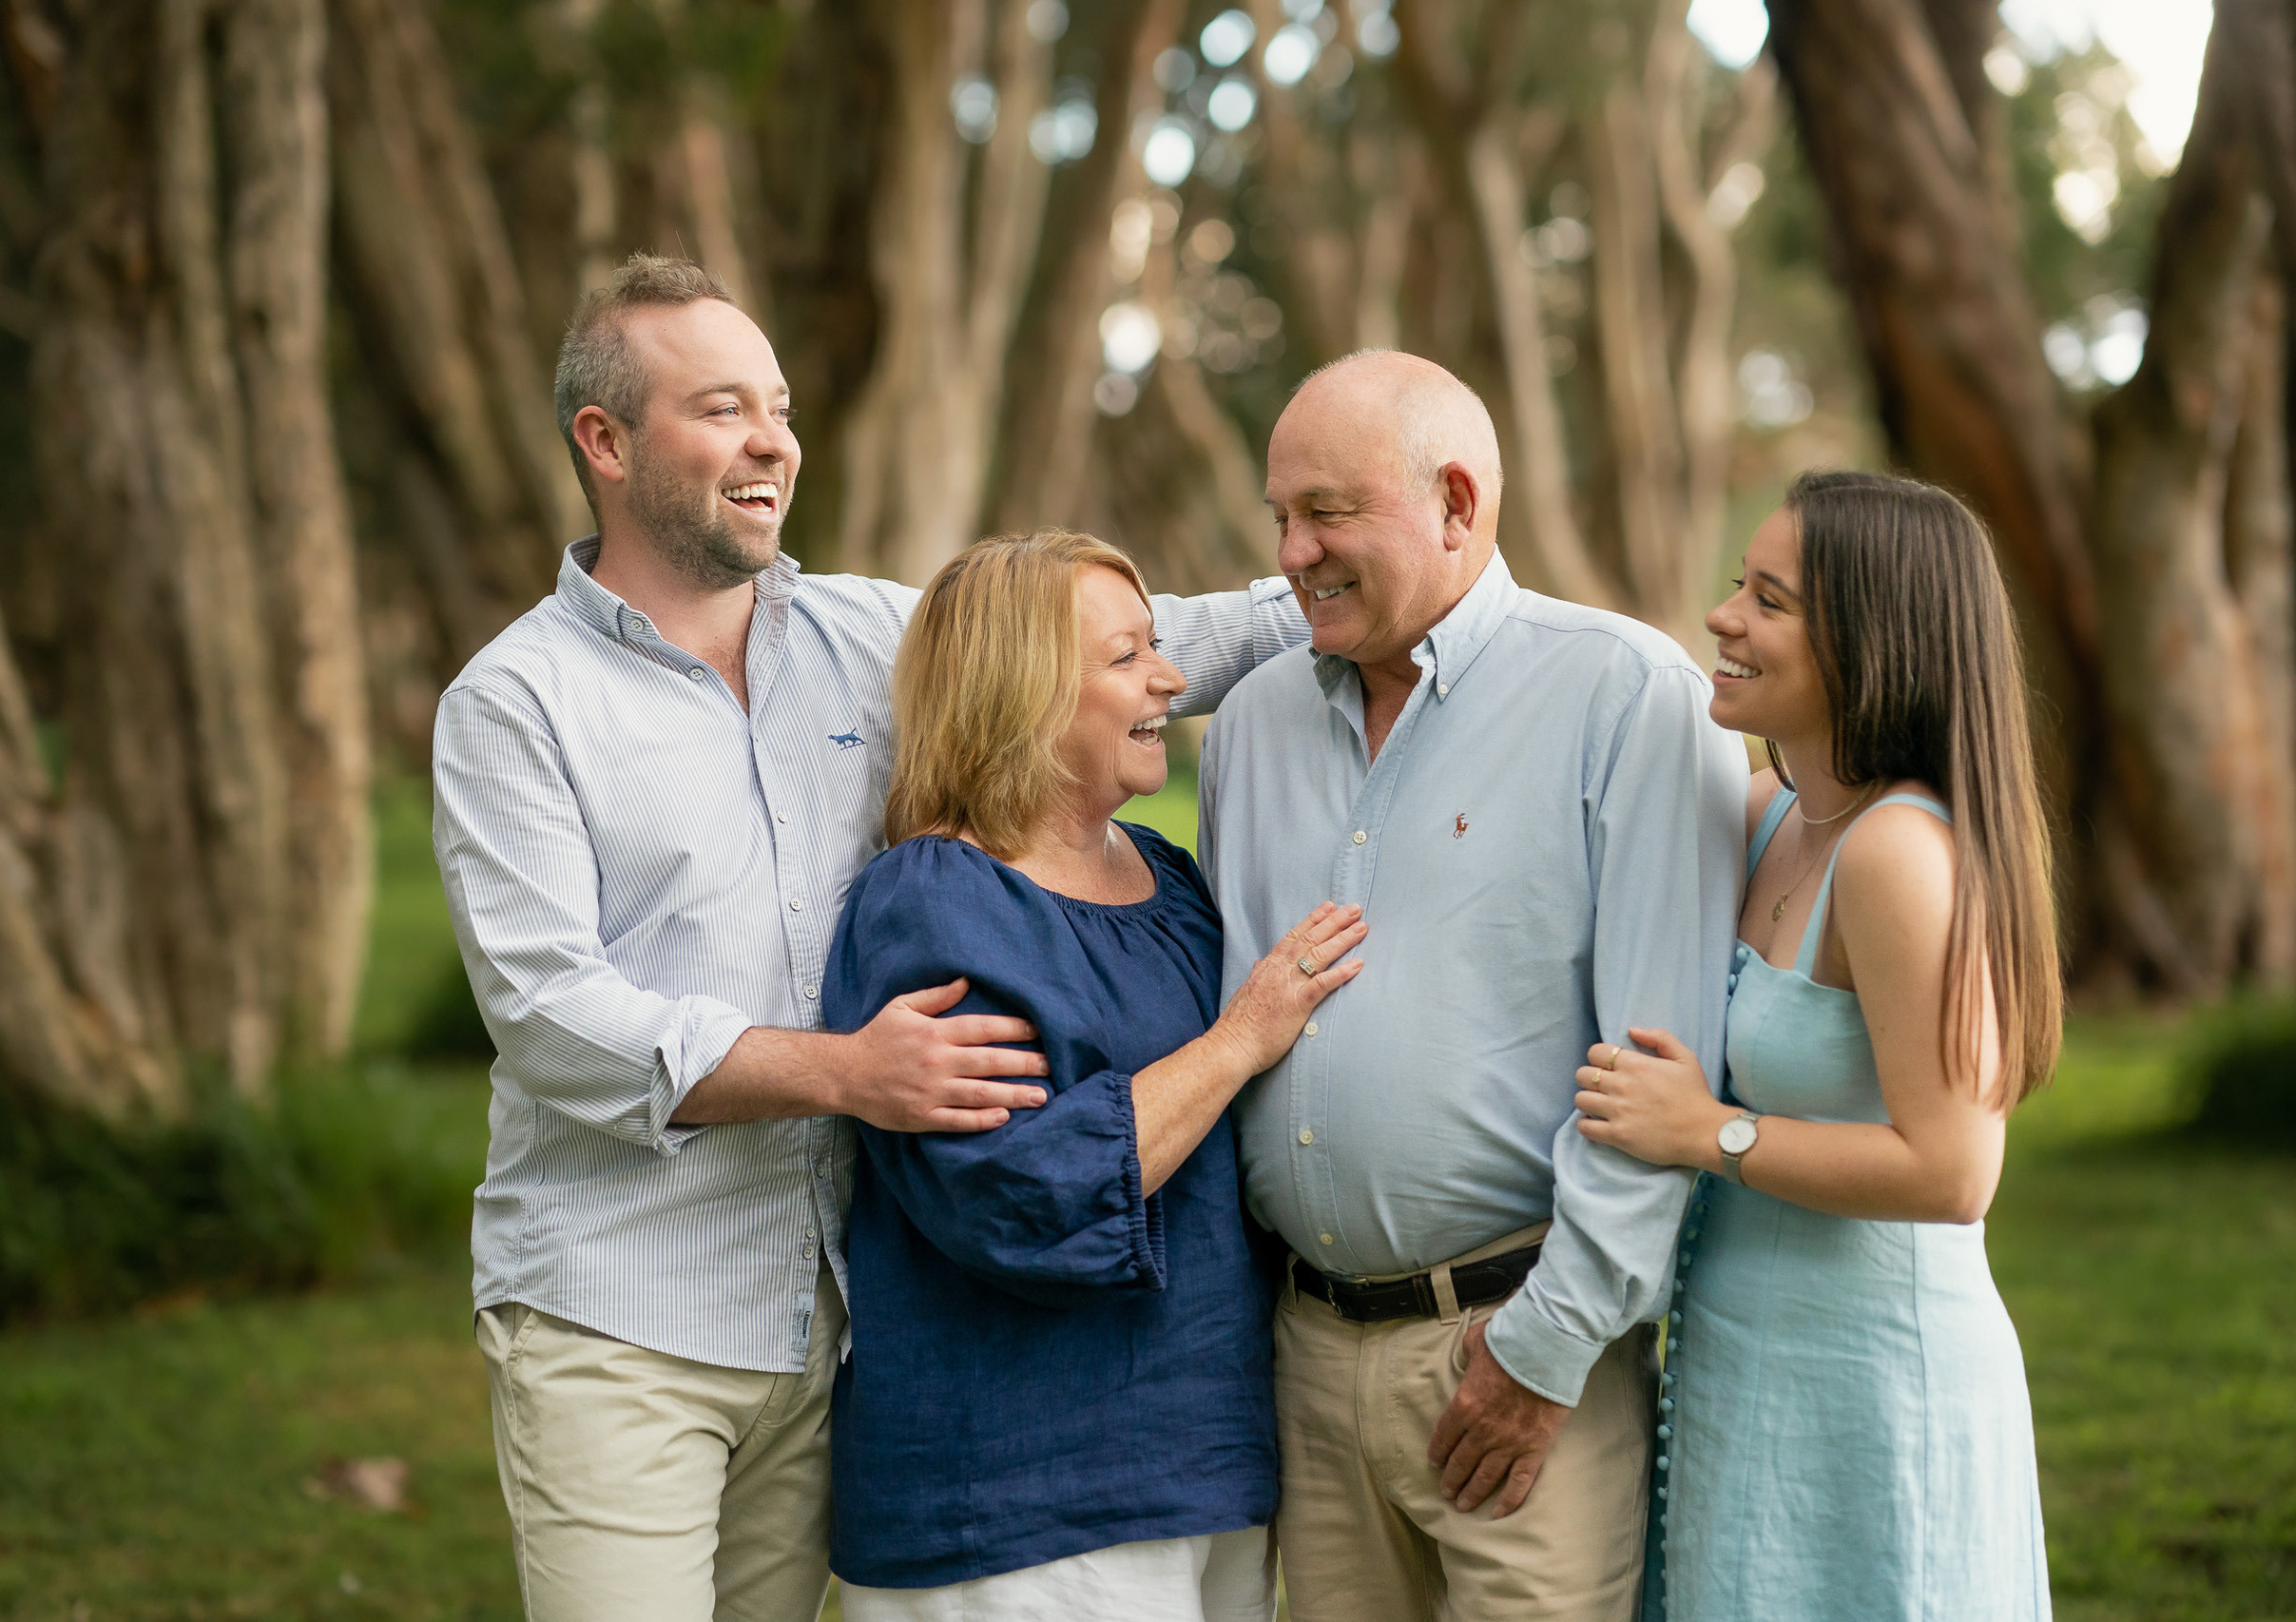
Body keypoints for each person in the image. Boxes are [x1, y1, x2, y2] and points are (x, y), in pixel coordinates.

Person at [432, 255, 1305, 1621]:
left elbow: (1114, 645)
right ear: (604, 441)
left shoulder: (864, 634)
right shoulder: (516, 702)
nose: (771, 439)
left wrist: (1349, 575)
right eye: (721, 408)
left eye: (776, 407)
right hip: (622, 1313)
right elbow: (550, 1015)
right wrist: (845, 1071)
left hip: (832, 1317)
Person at [1196, 350, 1748, 1620]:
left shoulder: (1626, 695)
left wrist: (1541, 1353)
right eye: (1280, 515)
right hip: (1301, 1354)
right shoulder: (1253, 724)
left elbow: (1666, 1065)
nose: (1290, 552)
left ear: (1455, 502)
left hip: (1518, 1353)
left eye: (1327, 512)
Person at [818, 531, 1360, 1618]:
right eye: (1127, 656)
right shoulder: (936, 899)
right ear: (1021, 692)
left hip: (1205, 1461)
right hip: (1019, 1497)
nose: (1169, 678)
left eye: (1157, 645)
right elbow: (1015, 1188)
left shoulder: (1165, 877)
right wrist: (1239, 1036)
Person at [1572, 470, 2060, 1621]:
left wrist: (1711, 1131)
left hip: (1873, 1384)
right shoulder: (1769, 814)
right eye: (1738, 584)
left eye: (1769, 600)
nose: (1722, 617)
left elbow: (1953, 1171)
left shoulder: (1896, 853)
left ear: (1873, 640)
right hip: (1740, 1361)